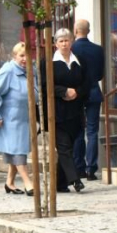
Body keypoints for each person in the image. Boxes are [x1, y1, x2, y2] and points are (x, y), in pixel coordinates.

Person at [42, 28, 89, 193]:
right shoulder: (47, 62)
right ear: (55, 44)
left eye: (67, 40)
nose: (64, 44)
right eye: (60, 41)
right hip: (57, 111)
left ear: (71, 42)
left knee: (69, 145)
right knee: (64, 147)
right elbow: (44, 85)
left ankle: (60, 184)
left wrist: (76, 92)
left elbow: (87, 83)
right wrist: (63, 92)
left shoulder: (79, 60)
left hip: (75, 111)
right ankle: (75, 179)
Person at [0, 43, 36, 196]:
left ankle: (9, 182)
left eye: (28, 55)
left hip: (24, 117)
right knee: (18, 151)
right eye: (22, 55)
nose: (25, 59)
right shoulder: (8, 71)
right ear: (14, 56)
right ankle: (28, 183)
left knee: (17, 149)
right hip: (9, 119)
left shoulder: (30, 71)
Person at [71, 19, 104, 181]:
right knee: (92, 131)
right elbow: (100, 75)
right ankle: (91, 168)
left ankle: (79, 168)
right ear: (88, 31)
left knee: (78, 130)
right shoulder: (98, 50)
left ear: (75, 30)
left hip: (77, 94)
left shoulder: (71, 49)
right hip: (93, 91)